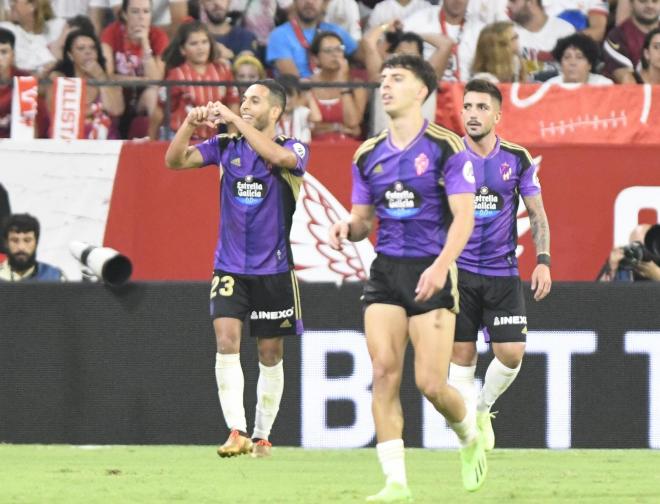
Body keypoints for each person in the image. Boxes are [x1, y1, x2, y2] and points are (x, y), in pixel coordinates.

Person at [329, 55, 486, 500]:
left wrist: (440, 267)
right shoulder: (367, 153)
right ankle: (395, 483)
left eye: (397, 79)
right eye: (383, 79)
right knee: (382, 372)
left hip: (432, 269)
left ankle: (469, 434)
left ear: (422, 91)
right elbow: (363, 220)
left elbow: (464, 219)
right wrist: (349, 228)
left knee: (432, 385)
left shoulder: (446, 147)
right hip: (386, 272)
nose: (385, 86)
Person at [165, 79, 309, 459]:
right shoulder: (226, 147)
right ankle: (237, 431)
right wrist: (188, 126)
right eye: (243, 99)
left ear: (275, 111)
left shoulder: (293, 148)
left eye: (254, 100)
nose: (245, 104)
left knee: (270, 354)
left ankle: (262, 435)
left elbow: (280, 161)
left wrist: (231, 118)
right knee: (226, 343)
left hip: (274, 271)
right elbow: (174, 161)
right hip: (229, 268)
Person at [448, 79, 551, 453]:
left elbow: (537, 215)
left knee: (511, 353)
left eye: (481, 108)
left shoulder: (517, 158)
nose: (473, 115)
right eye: (468, 107)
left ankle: (482, 407)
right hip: (458, 273)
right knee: (462, 358)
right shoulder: (448, 156)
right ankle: (468, 441)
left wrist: (543, 261)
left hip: (502, 272)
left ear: (497, 114)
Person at [157, 21, 239, 139]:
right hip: (179, 140)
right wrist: (152, 140)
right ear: (183, 50)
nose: (200, 48)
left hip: (210, 142)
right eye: (194, 43)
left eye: (204, 42)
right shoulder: (177, 75)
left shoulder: (223, 71)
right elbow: (160, 109)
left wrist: (232, 140)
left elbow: (233, 106)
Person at [101, 0, 169, 138]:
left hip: (143, 97)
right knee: (110, 88)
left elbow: (156, 79)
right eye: (135, 11)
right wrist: (138, 80)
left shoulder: (159, 36)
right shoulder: (111, 32)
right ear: (125, 14)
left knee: (153, 93)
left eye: (146, 11)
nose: (141, 17)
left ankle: (150, 143)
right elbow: (107, 74)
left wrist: (145, 44)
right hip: (118, 95)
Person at [48, 29, 125, 139]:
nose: (88, 52)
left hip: (106, 144)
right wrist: (94, 111)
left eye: (92, 48)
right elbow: (57, 115)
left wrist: (100, 76)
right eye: (81, 48)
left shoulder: (110, 80)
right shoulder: (61, 80)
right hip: (69, 142)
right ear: (70, 55)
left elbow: (116, 110)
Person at [266, 0, 359, 78]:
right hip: (299, 96)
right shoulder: (279, 35)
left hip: (334, 93)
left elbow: (362, 55)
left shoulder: (335, 31)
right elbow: (292, 82)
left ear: (324, 4)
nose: (309, 2)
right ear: (294, 2)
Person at [308, 31, 368, 140]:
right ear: (315, 58)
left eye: (339, 49)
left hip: (348, 147)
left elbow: (353, 123)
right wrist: (338, 127)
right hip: (313, 148)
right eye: (328, 51)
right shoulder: (307, 85)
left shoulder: (357, 86)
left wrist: (343, 84)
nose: (335, 54)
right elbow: (311, 127)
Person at [602, 0, 659, 83]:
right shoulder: (617, 36)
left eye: (655, 1)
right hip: (630, 94)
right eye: (643, 1)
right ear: (631, 4)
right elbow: (627, 81)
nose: (650, 5)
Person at [0, 213, 65, 281]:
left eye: (27, 240)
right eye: (15, 240)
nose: (21, 247)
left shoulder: (55, 277)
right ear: (6, 243)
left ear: (36, 242)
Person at [546, 32, 613, 84]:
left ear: (590, 64)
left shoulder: (604, 85)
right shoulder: (551, 86)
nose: (572, 63)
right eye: (567, 57)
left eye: (579, 57)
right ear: (561, 63)